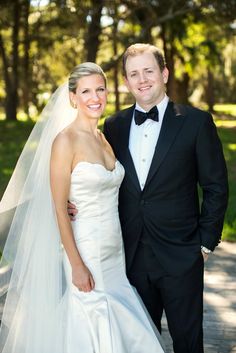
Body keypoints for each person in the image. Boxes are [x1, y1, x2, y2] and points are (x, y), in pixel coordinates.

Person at [69, 44, 228, 353]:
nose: (142, 80)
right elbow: (98, 177)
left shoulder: (196, 122)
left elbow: (216, 187)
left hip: (181, 256)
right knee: (138, 343)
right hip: (129, 256)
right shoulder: (113, 126)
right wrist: (69, 200)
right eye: (133, 74)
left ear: (164, 74)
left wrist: (204, 245)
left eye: (149, 71)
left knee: (188, 343)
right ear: (127, 82)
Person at [0, 62, 165, 353]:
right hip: (85, 248)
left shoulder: (103, 138)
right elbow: (59, 208)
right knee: (91, 317)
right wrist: (76, 264)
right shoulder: (65, 141)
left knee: (121, 314)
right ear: (73, 97)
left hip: (114, 250)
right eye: (86, 91)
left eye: (100, 89)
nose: (95, 97)